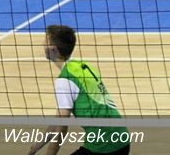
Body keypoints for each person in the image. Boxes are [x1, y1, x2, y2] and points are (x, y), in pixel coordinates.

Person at [28, 25, 130, 155]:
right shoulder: (83, 66)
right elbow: (58, 120)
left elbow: (61, 129)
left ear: (54, 49)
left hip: (105, 147)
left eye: (46, 41)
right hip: (122, 140)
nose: (43, 44)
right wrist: (37, 146)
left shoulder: (65, 80)